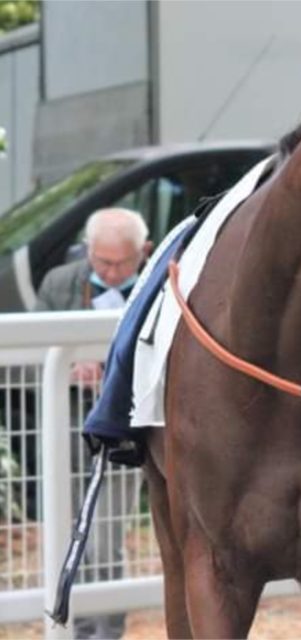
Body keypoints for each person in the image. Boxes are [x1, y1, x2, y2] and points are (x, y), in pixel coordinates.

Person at [34, 207, 151, 640]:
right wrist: (68, 367)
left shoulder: (160, 282)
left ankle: (109, 630)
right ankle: (78, 628)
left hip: (122, 429)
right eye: (103, 262)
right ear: (87, 251)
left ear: (144, 252)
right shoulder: (58, 283)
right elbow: (31, 355)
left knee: (106, 535)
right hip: (64, 425)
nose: (114, 271)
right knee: (66, 532)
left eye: (123, 262)